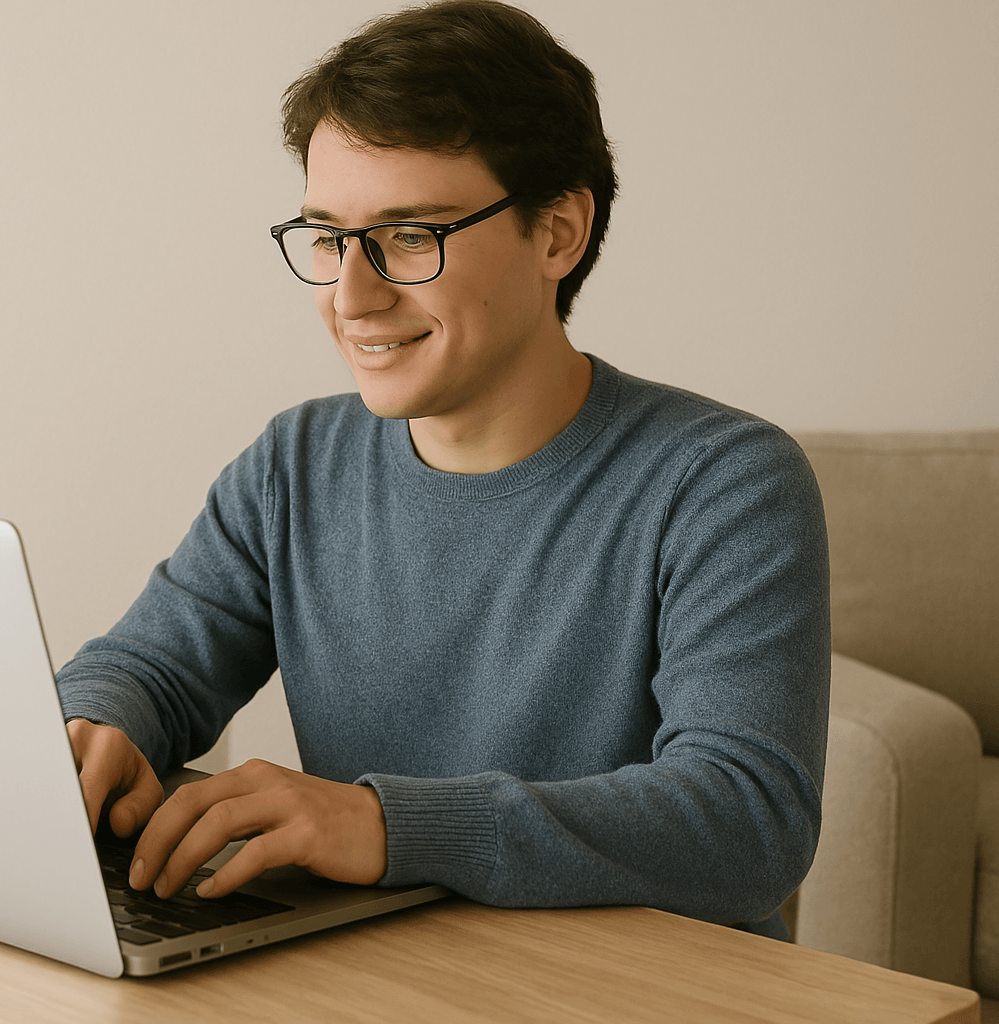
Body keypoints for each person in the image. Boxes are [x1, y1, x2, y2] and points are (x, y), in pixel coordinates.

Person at [57, 0, 829, 940]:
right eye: (332, 237)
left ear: (557, 232)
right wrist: (96, 726)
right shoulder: (295, 465)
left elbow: (746, 822)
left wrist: (388, 825)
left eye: (409, 236)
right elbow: (151, 667)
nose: (353, 295)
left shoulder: (724, 482)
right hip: (385, 976)